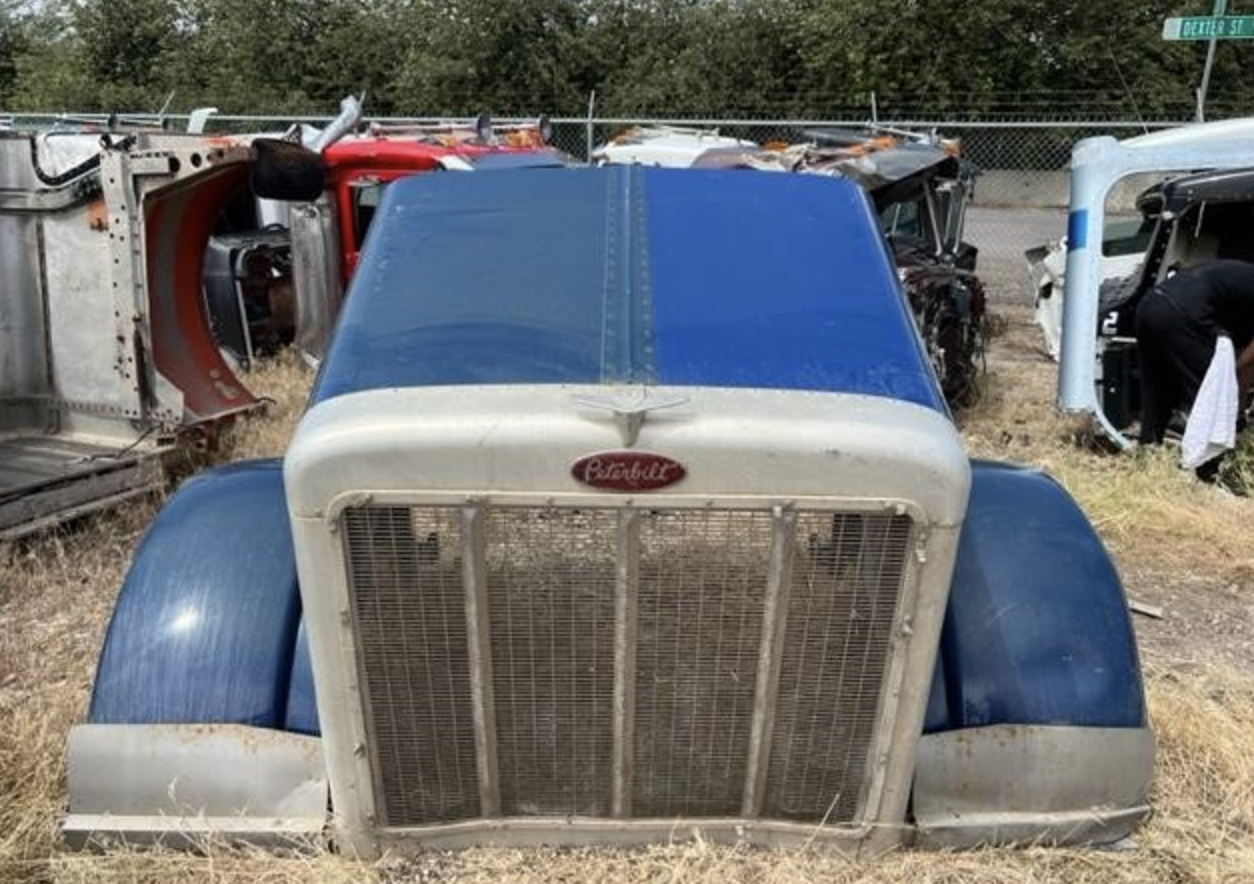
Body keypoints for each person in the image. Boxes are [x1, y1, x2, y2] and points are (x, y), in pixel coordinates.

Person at [1135, 258, 1254, 445]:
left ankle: (1148, 450)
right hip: (1183, 310)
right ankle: (1209, 466)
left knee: (1157, 388)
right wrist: (1235, 403)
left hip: (1150, 304)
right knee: (1214, 391)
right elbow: (1244, 366)